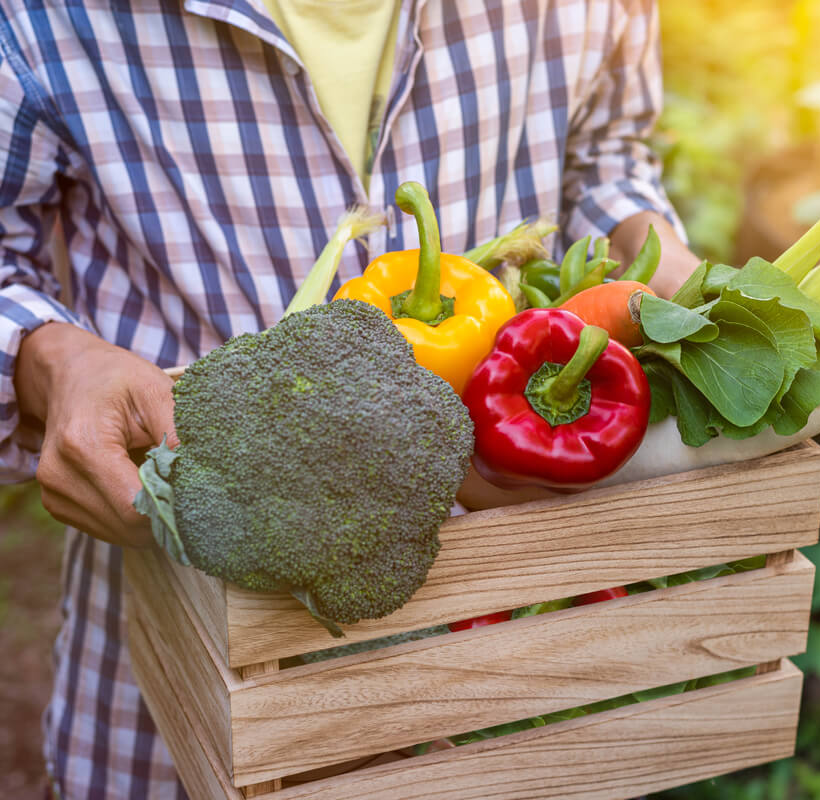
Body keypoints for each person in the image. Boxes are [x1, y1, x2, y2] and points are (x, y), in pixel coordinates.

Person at [0, 1, 698, 796]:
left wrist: (666, 271)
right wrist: (53, 360)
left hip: (515, 626)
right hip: (186, 631)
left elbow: (607, 159)